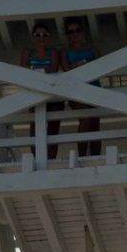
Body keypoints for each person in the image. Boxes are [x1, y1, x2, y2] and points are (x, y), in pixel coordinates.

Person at [60, 20, 101, 157]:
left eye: (77, 30)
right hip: (76, 90)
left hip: (94, 88)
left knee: (95, 125)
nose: (75, 33)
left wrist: (80, 65)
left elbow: (102, 65)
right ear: (67, 35)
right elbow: (66, 70)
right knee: (85, 117)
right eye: (71, 31)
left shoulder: (92, 49)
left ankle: (96, 156)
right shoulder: (65, 51)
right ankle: (83, 155)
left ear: (82, 32)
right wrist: (84, 64)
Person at [20, 22, 61, 160]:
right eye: (37, 34)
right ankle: (35, 157)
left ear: (49, 38)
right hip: (34, 94)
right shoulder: (27, 52)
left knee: (53, 128)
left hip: (52, 95)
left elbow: (53, 69)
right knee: (34, 126)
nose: (41, 37)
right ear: (32, 38)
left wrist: (34, 72)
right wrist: (41, 72)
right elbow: (23, 70)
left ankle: (51, 158)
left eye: (44, 35)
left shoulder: (53, 52)